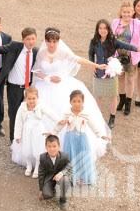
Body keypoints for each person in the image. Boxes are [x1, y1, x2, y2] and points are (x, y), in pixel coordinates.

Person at [31, 28, 109, 161]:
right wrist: (47, 78)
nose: (52, 44)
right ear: (45, 41)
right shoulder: (41, 53)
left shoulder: (62, 52)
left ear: (58, 41)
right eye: (49, 41)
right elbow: (36, 71)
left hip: (62, 86)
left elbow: (78, 59)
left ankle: (70, 149)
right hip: (45, 86)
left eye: (54, 41)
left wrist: (96, 65)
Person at [88, 19, 140, 129]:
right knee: (98, 96)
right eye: (100, 28)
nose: (102, 30)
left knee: (113, 96)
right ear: (97, 30)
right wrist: (93, 65)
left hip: (111, 72)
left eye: (105, 28)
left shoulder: (114, 41)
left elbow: (128, 46)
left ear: (108, 29)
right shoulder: (94, 41)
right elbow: (91, 54)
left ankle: (112, 118)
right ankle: (98, 118)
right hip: (99, 72)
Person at [51, 90, 110, 186]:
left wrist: (101, 135)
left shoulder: (85, 113)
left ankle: (82, 177)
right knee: (70, 157)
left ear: (83, 102)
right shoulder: (67, 113)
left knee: (82, 157)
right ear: (70, 102)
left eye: (79, 101)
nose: (76, 103)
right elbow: (60, 124)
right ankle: (71, 176)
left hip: (82, 139)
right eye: (74, 101)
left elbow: (93, 125)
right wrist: (53, 132)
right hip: (70, 139)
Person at [12, 88, 59, 178]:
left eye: (33, 98)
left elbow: (50, 113)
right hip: (27, 131)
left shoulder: (40, 106)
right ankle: (29, 165)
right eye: (29, 99)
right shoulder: (22, 107)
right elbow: (18, 121)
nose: (31, 101)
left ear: (37, 98)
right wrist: (17, 135)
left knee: (38, 149)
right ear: (25, 98)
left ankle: (37, 166)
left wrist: (59, 120)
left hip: (38, 130)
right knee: (27, 149)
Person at [38, 134, 72, 211]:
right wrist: (40, 189)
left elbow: (70, 166)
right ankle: (53, 189)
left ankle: (63, 200)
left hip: (61, 177)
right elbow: (41, 174)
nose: (52, 149)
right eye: (49, 146)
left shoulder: (64, 156)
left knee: (65, 180)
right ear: (46, 147)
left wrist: (62, 173)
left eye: (54, 146)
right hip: (49, 178)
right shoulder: (42, 157)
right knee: (47, 195)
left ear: (59, 147)